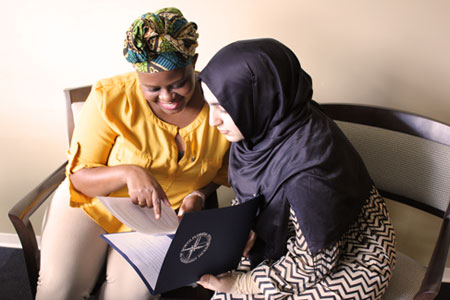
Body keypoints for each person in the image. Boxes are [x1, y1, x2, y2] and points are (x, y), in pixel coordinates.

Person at [36, 8, 229, 300]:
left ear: (194, 64)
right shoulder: (109, 97)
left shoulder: (222, 102)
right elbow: (79, 178)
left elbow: (220, 169)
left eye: (178, 84)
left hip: (157, 222)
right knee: (60, 291)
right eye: (152, 88)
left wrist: (198, 195)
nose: (167, 98)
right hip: (92, 205)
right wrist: (129, 172)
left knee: (132, 297)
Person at [197, 38, 396, 299]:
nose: (213, 121)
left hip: (351, 253)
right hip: (285, 236)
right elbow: (258, 191)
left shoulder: (312, 168)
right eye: (209, 105)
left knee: (234, 290)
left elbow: (317, 262)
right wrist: (243, 229)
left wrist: (241, 285)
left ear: (261, 99)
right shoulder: (263, 126)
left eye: (223, 108)